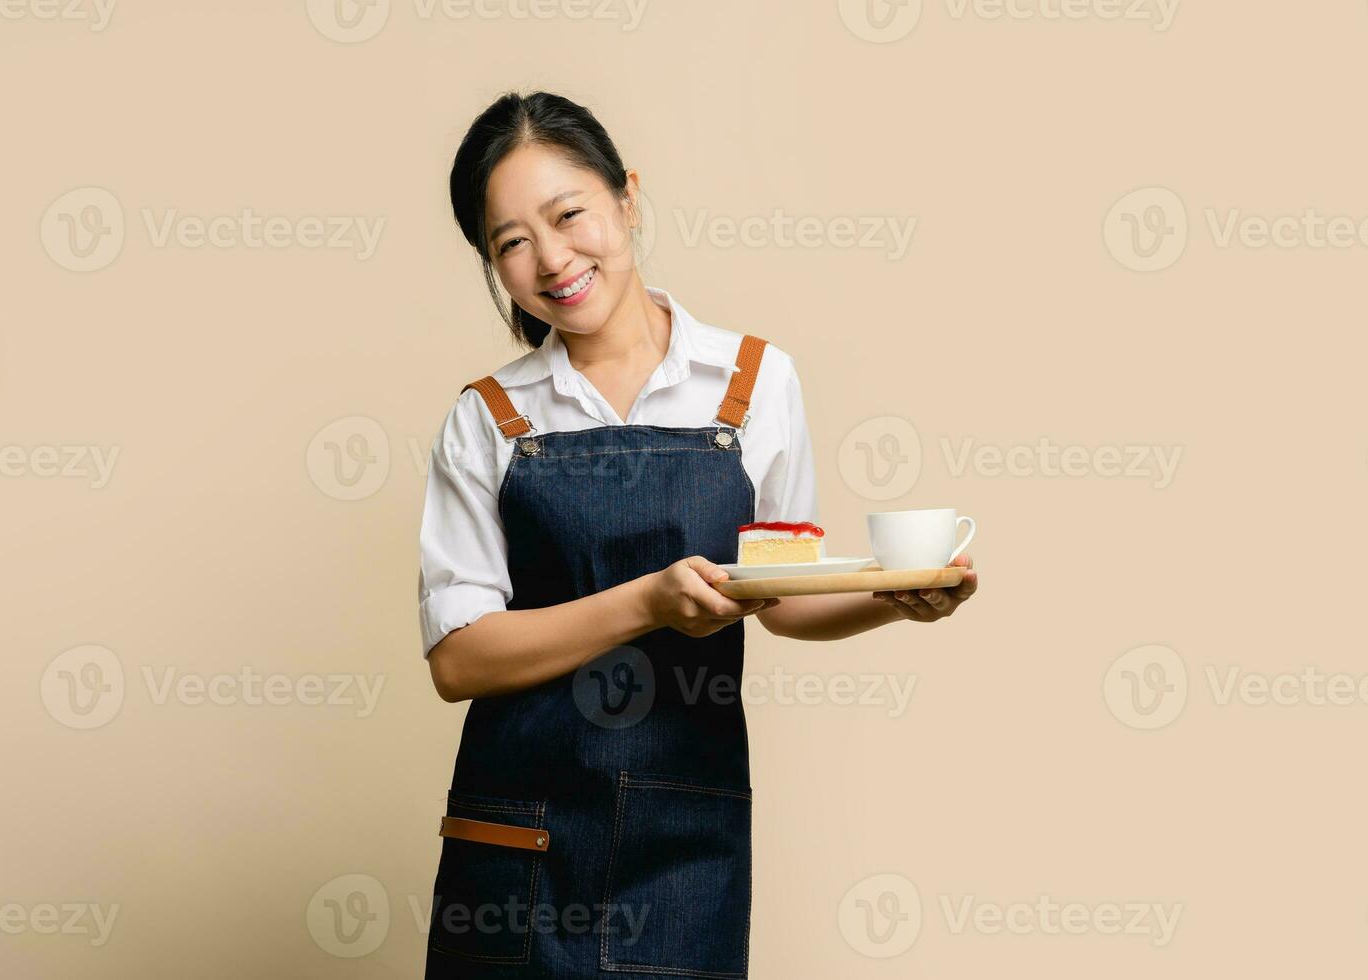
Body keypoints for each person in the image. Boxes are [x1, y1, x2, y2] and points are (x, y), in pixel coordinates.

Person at [419, 90, 978, 979]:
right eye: (512, 243)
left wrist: (895, 599)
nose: (553, 259)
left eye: (569, 216)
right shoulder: (489, 417)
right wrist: (648, 601)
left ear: (626, 199)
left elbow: (785, 603)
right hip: (519, 839)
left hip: (684, 840)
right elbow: (459, 659)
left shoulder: (752, 383)